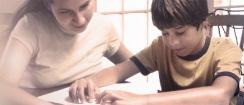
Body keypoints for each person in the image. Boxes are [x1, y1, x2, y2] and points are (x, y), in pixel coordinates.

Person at [70, 0, 243, 105]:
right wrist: (88, 82)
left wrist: (142, 100)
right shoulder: (160, 47)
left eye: (180, 32)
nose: (172, 42)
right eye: (165, 33)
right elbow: (119, 71)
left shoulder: (226, 49)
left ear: (204, 24)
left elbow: (220, 96)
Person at [0, 0, 132, 105]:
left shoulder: (103, 25)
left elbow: (137, 65)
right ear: (48, 5)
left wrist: (94, 81)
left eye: (85, 5)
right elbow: (4, 89)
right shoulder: (30, 27)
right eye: (65, 12)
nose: (80, 20)